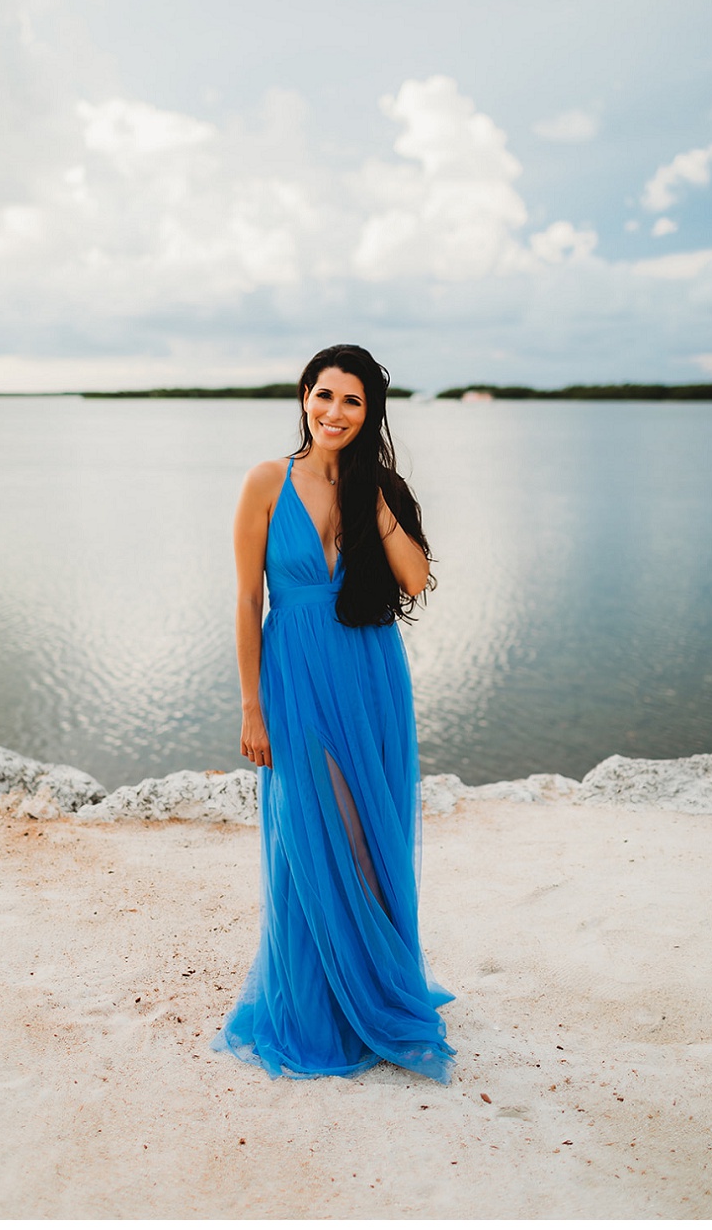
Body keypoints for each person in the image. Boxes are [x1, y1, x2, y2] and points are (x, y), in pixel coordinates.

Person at [215, 344, 455, 1082]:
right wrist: (252, 706)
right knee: (318, 831)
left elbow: (414, 578)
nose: (334, 412)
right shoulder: (265, 481)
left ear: (369, 412)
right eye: (325, 395)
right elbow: (248, 599)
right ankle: (328, 998)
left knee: (372, 835)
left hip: (369, 674)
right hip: (293, 676)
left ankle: (376, 993)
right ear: (304, 396)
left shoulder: (377, 490)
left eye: (352, 401)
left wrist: (370, 492)